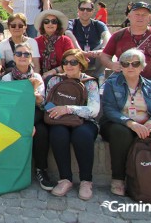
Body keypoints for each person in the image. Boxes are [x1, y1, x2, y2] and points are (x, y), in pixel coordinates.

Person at [99, 48, 151, 196]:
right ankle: (118, 178)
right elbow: (109, 110)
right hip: (119, 124)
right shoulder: (112, 84)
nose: (130, 67)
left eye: (135, 63)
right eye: (126, 64)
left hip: (146, 123)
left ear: (142, 66)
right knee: (120, 133)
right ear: (121, 66)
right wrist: (130, 123)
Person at [100, 2, 151, 108]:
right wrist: (111, 65)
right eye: (137, 14)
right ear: (129, 16)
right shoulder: (118, 36)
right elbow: (104, 56)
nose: (140, 17)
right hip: (124, 79)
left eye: (144, 15)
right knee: (104, 92)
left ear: (149, 18)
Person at [44, 49, 100, 200]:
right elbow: (46, 103)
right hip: (60, 120)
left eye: (73, 62)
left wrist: (68, 109)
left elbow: (93, 110)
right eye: (65, 62)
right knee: (57, 134)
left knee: (82, 135)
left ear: (81, 65)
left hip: (85, 121)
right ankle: (65, 179)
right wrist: (54, 111)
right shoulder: (55, 80)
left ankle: (86, 180)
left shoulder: (90, 83)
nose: (69, 66)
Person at [2, 42, 53, 190]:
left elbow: (43, 104)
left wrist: (38, 97)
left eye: (26, 54)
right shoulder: (7, 79)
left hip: (35, 115)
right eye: (19, 54)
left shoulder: (37, 77)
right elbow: (8, 104)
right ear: (14, 57)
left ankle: (41, 170)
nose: (22, 57)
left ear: (31, 58)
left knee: (42, 131)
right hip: (15, 117)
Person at [65, 0, 111, 79]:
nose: (85, 11)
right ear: (78, 10)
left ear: (92, 11)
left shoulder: (98, 24)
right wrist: (80, 51)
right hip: (77, 54)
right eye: (82, 9)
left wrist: (102, 49)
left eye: (88, 9)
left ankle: (98, 77)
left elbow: (107, 35)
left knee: (104, 51)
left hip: (94, 54)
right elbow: (68, 33)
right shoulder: (72, 23)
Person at [34, 9, 74, 79]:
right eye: (46, 21)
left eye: (54, 21)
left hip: (63, 75)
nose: (50, 24)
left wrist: (53, 71)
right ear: (42, 25)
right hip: (41, 76)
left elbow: (71, 62)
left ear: (58, 25)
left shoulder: (65, 41)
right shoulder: (36, 41)